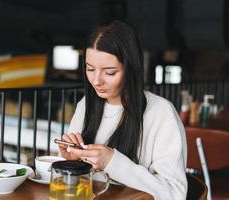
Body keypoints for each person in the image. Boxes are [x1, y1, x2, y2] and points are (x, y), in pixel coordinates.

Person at [57, 20, 187, 200]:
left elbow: (175, 194)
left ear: (131, 69)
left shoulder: (161, 113)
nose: (96, 81)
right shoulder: (85, 104)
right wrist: (72, 160)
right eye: (90, 69)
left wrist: (112, 162)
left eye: (109, 72)